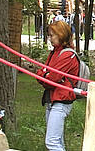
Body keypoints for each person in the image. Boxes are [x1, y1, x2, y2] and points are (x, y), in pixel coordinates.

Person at [33, 21, 82, 151]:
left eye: (52, 35)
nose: (50, 39)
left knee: (52, 142)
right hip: (51, 99)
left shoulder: (68, 55)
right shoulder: (54, 52)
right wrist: (45, 74)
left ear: (61, 35)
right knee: (58, 141)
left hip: (61, 101)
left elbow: (52, 77)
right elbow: (42, 75)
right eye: (49, 35)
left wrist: (45, 74)